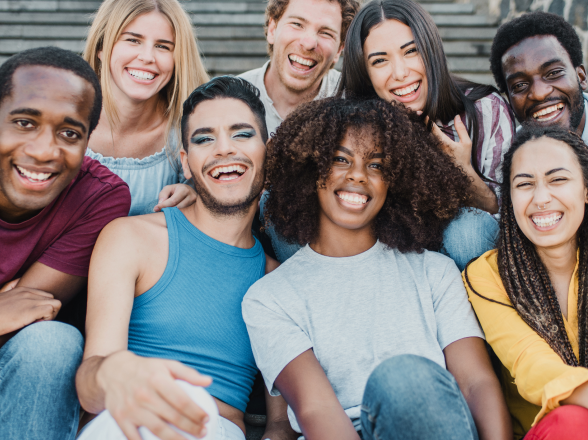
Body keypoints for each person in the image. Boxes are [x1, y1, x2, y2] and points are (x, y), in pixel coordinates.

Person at [242, 97, 512, 440]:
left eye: (377, 165)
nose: (357, 174)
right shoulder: (269, 298)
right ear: (310, 170)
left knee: (404, 380)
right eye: (340, 159)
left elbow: (476, 383)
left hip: (436, 427)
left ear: (395, 181)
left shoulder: (435, 272)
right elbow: (315, 409)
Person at [76, 77, 295, 440]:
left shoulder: (278, 280)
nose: (223, 149)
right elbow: (89, 384)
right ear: (186, 163)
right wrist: (112, 374)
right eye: (204, 138)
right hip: (126, 421)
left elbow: (279, 423)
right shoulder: (131, 238)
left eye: (241, 134)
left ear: (267, 152)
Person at [0, 47, 131, 440]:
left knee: (52, 343)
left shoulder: (99, 196)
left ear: (89, 140)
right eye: (24, 122)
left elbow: (29, 307)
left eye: (69, 133)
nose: (43, 150)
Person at [335, 0, 516, 270]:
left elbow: (509, 214)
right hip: (389, 257)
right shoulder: (357, 125)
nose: (400, 73)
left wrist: (462, 171)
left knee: (467, 234)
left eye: (411, 51)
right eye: (380, 60)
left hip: (466, 257)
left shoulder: (484, 108)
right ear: (365, 72)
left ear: (430, 50)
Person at [464, 127, 588, 440]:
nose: (542, 198)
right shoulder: (487, 275)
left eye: (558, 179)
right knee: (573, 421)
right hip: (554, 431)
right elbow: (531, 364)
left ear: (586, 189)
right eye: (525, 184)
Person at [83, 0, 209, 216]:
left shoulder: (186, 133)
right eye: (133, 40)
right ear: (101, 48)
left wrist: (195, 200)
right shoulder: (63, 121)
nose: (147, 57)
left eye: (162, 46)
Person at [239, 0, 360, 137]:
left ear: (339, 50)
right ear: (272, 29)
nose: (309, 43)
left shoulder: (358, 106)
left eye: (326, 33)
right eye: (297, 24)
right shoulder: (229, 99)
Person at [490, 12, 588, 143]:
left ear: (581, 77)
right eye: (519, 85)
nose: (539, 94)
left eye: (553, 73)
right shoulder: (506, 156)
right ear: (509, 100)